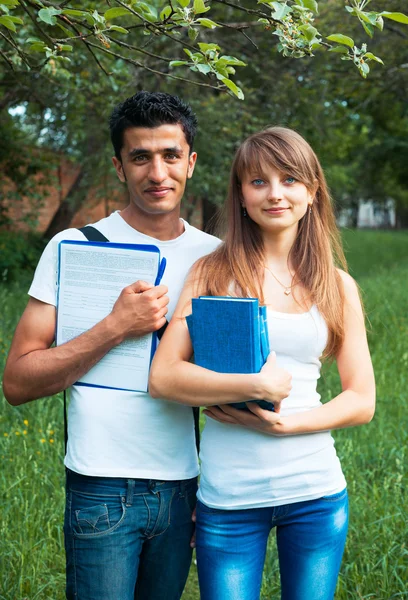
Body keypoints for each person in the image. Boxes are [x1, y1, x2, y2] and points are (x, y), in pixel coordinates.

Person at [3, 91, 220, 600]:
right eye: (140, 157)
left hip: (184, 485)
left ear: (190, 163)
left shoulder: (216, 258)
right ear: (119, 166)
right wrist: (115, 327)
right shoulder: (73, 247)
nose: (157, 172)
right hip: (100, 487)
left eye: (170, 155)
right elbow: (17, 382)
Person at [149, 126, 376, 600]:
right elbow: (165, 376)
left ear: (312, 192)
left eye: (290, 179)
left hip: (315, 492)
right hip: (230, 498)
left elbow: (361, 400)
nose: (275, 193)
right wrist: (255, 384)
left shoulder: (338, 286)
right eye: (258, 182)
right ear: (241, 196)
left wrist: (288, 426)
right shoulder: (213, 273)